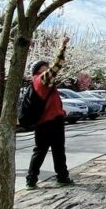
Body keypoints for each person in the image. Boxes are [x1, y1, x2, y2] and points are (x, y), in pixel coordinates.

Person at [25, 36, 74, 189]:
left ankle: (33, 180)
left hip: (45, 123)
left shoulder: (39, 82)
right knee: (55, 150)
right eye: (44, 66)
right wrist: (62, 47)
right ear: (39, 70)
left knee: (42, 151)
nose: (48, 67)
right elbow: (57, 66)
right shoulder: (41, 80)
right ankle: (60, 177)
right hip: (51, 122)